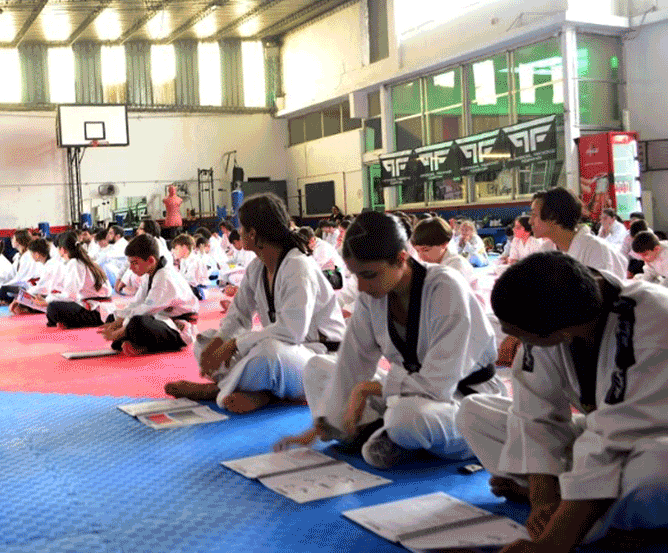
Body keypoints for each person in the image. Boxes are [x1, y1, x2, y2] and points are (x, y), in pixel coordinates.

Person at [457, 252, 668, 553]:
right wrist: (542, 499)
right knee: (475, 412)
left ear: (563, 334)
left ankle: (595, 520)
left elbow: (609, 444)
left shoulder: (653, 321)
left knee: (657, 469)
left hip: (651, 438)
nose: (512, 342)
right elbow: (534, 414)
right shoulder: (560, 306)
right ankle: (584, 513)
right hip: (605, 433)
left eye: (519, 335)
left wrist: (551, 544)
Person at [276, 211, 505, 469]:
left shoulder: (445, 288)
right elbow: (353, 360)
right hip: (408, 389)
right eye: (356, 275)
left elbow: (436, 386)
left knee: (405, 418)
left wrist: (365, 391)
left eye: (369, 275)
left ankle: (392, 433)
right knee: (318, 367)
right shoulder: (373, 293)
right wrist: (327, 423)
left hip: (463, 399)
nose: (361, 286)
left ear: (401, 258)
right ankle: (382, 434)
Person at [164, 193, 346, 414]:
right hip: (287, 352)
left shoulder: (298, 267)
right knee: (205, 341)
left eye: (242, 228)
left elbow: (292, 332)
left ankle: (216, 390)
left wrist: (233, 345)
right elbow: (239, 315)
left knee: (269, 353)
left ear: (253, 234)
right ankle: (262, 391)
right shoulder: (257, 269)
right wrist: (220, 341)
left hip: (322, 359)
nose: (238, 233)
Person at [98, 234, 199, 355]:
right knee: (113, 318)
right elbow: (137, 303)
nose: (130, 268)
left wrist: (121, 330)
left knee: (136, 323)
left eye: (134, 263)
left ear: (150, 260)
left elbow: (146, 309)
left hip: (179, 328)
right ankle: (139, 344)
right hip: (159, 319)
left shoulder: (165, 277)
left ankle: (142, 345)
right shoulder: (150, 273)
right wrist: (117, 321)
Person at [531, 188, 627, 279]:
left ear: (553, 217)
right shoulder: (546, 250)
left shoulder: (596, 249)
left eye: (534, 215)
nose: (530, 221)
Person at [44, 231, 115, 328]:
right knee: (54, 307)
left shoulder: (75, 263)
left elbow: (71, 296)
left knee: (53, 307)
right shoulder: (86, 260)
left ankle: (70, 322)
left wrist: (48, 299)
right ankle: (67, 322)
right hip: (104, 309)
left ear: (62, 249)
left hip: (97, 312)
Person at [410, 217, 475, 283]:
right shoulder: (429, 263)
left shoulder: (456, 265)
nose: (421, 256)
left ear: (444, 244)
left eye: (426, 250)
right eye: (417, 251)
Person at [10, 238, 62, 315]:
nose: (31, 256)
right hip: (50, 294)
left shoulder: (50, 266)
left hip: (56, 296)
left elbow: (42, 287)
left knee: (24, 300)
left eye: (31, 253)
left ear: (37, 254)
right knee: (25, 298)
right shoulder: (47, 264)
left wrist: (20, 298)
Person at [172, 233, 209, 300]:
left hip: (198, 290)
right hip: (189, 287)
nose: (174, 251)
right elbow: (182, 276)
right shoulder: (183, 260)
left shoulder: (195, 260)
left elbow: (192, 281)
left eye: (176, 248)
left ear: (184, 248)